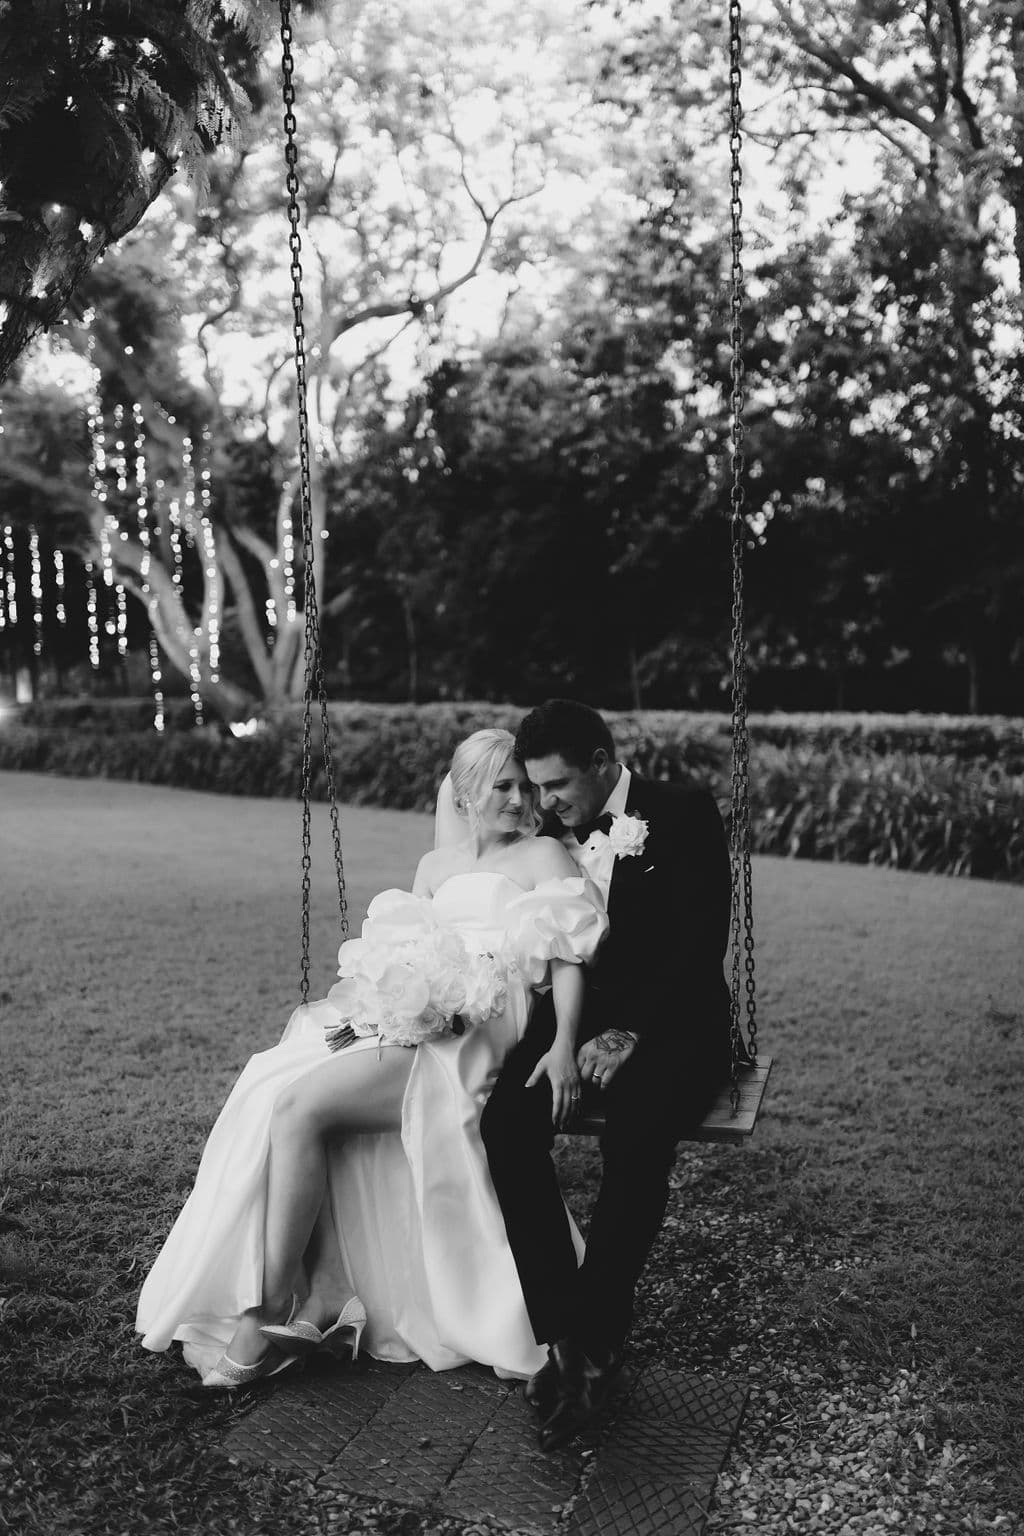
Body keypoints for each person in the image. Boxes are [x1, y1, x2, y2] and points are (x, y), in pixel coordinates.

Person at [136, 728, 608, 1388]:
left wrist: (563, 1045)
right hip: (415, 1016)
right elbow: (401, 958)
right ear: (466, 793)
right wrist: (372, 1015)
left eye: (525, 786)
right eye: (502, 785)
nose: (519, 797)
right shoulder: (435, 868)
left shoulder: (544, 855)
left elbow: (568, 959)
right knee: (273, 1084)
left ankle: (272, 1311)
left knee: (301, 1109)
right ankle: (322, 1294)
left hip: (480, 1027)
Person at [480, 699, 732, 1450]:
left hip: (676, 1020)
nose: (543, 802)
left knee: (637, 1135)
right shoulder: (550, 834)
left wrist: (630, 1032)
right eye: (534, 786)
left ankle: (590, 1344)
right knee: (504, 1125)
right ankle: (565, 1334)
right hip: (577, 1021)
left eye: (556, 785)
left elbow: (698, 942)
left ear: (600, 761)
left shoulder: (681, 813)